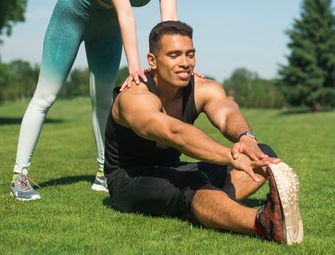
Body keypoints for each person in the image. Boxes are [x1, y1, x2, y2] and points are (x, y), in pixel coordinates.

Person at [10, 0, 185, 201]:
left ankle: (104, 173)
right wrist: (135, 68)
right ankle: (20, 176)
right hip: (72, 18)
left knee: (104, 100)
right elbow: (125, 13)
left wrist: (179, 59)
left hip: (107, 29)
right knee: (46, 96)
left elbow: (169, 22)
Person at [104, 21, 303, 245]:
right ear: (153, 61)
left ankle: (213, 208)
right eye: (174, 55)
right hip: (130, 179)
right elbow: (174, 133)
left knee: (260, 154)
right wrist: (231, 156)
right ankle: (265, 223)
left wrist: (246, 138)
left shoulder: (201, 87)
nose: (185, 63)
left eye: (190, 54)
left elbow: (228, 112)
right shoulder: (134, 96)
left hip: (171, 169)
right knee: (194, 182)